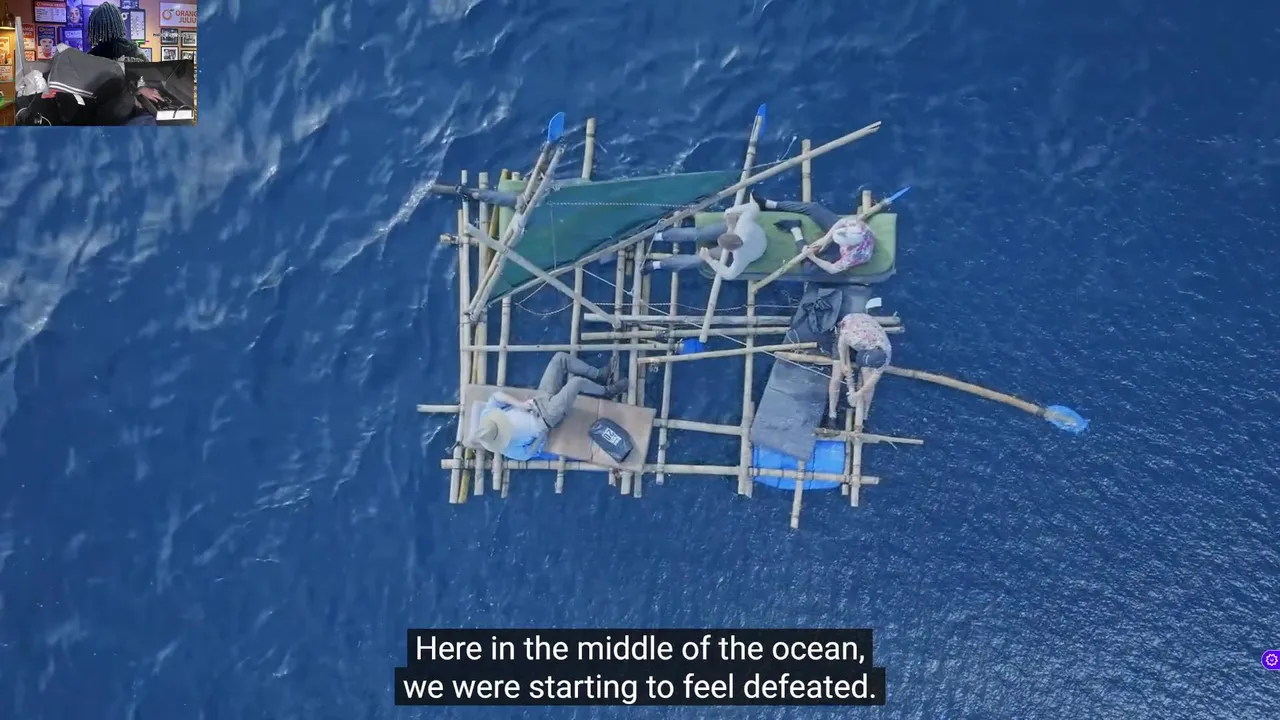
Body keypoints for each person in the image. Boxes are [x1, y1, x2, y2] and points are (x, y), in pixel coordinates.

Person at [469, 353, 628, 461]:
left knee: (560, 359)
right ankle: (607, 392)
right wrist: (542, 432)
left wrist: (520, 404)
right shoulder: (507, 449)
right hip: (546, 417)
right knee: (576, 383)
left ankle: (599, 374)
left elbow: (496, 396)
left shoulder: (488, 417)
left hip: (537, 400)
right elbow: (528, 454)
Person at [643, 199, 767, 280]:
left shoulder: (740, 257)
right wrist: (730, 212)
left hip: (751, 247)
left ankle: (658, 265)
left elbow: (730, 275)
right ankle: (658, 236)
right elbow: (754, 207)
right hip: (737, 230)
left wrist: (708, 259)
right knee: (700, 233)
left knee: (698, 259)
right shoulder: (744, 223)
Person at [752, 194, 878, 274]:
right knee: (814, 208)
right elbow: (841, 222)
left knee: (808, 268)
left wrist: (812, 256)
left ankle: (795, 229)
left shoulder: (854, 256)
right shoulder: (859, 227)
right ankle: (770, 204)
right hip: (841, 239)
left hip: (839, 252)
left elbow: (832, 269)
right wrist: (826, 238)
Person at [85, 2, 163, 125]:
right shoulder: (137, 53)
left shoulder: (90, 57)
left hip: (104, 119)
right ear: (119, 23)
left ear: (94, 27)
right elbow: (151, 84)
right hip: (136, 119)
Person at [828, 312, 892, 421]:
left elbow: (874, 378)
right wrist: (843, 363)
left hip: (868, 332)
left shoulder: (886, 355)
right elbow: (842, 343)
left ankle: (865, 412)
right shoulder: (854, 337)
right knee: (836, 376)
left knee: (868, 382)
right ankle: (832, 410)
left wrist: (858, 394)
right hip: (851, 324)